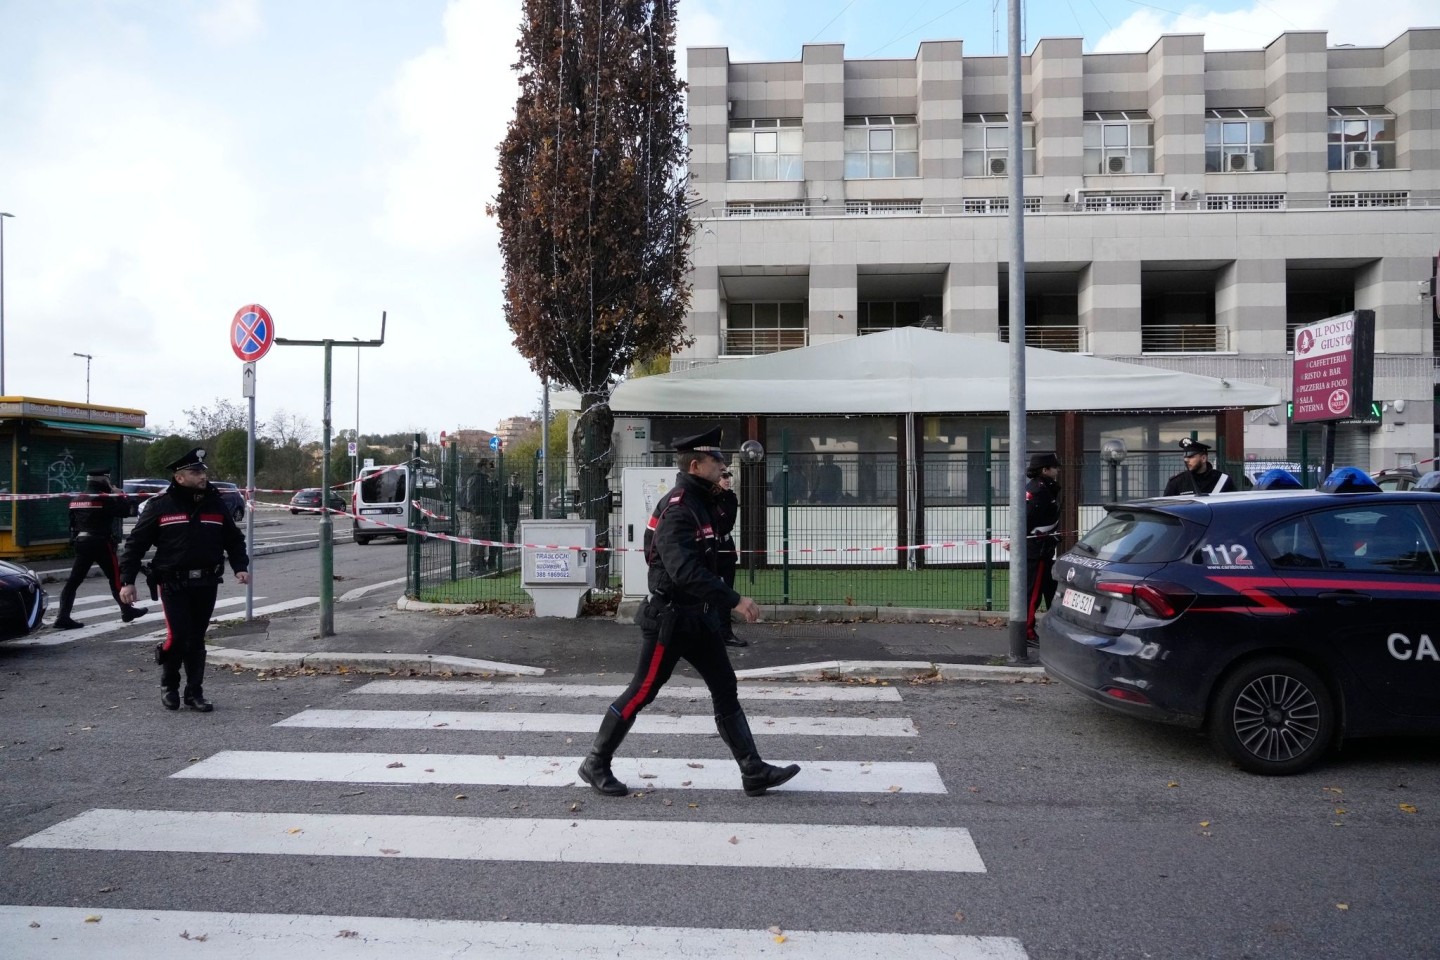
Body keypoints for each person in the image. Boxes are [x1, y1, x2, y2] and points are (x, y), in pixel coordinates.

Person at [578, 426, 799, 798]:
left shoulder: (703, 501)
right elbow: (684, 571)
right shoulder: (680, 508)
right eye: (716, 461)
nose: (723, 465)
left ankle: (752, 770)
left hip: (699, 618)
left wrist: (728, 494)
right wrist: (735, 599)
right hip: (671, 619)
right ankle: (596, 762)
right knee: (643, 691)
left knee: (725, 687)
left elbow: (724, 527)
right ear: (696, 465)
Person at [119, 448, 250, 713]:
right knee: (179, 637)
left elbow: (233, 539)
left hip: (206, 581)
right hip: (173, 582)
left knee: (197, 638)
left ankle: (194, 693)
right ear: (179, 478)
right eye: (195, 472)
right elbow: (135, 545)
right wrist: (127, 580)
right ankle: (169, 683)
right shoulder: (161, 505)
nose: (202, 476)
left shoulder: (215, 503)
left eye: (203, 471)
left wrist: (240, 566)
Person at [52, 468, 147, 630]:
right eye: (108, 481)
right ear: (104, 480)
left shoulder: (77, 498)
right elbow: (125, 512)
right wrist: (120, 495)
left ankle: (62, 616)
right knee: (115, 577)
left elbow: (72, 523)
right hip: (101, 542)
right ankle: (127, 611)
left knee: (74, 581)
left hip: (81, 542)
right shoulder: (104, 498)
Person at [1020, 452, 1062, 646]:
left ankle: (1055, 630)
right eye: (1055, 467)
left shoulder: (1047, 488)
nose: (1058, 470)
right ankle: (1026, 632)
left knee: (1051, 591)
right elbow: (1027, 520)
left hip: (1045, 550)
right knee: (1033, 593)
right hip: (1036, 551)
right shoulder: (1037, 491)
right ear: (1045, 470)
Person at [711, 467, 746, 647]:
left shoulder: (730, 498)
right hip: (709, 547)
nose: (727, 480)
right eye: (723, 477)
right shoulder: (705, 497)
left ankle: (725, 633)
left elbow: (726, 524)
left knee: (726, 591)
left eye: (728, 477)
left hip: (725, 547)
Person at [1163, 438, 1233, 496]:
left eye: (1191, 456)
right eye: (1185, 457)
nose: (1186, 460)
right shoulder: (1176, 482)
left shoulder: (1223, 480)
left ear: (1203, 458)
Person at [503, 472, 525, 546]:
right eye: (513, 477)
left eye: (516, 478)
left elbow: (520, 498)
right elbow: (504, 500)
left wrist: (521, 489)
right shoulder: (507, 487)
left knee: (513, 528)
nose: (514, 479)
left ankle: (511, 544)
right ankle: (510, 545)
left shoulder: (518, 487)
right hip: (508, 511)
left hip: (515, 511)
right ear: (511, 478)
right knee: (510, 528)